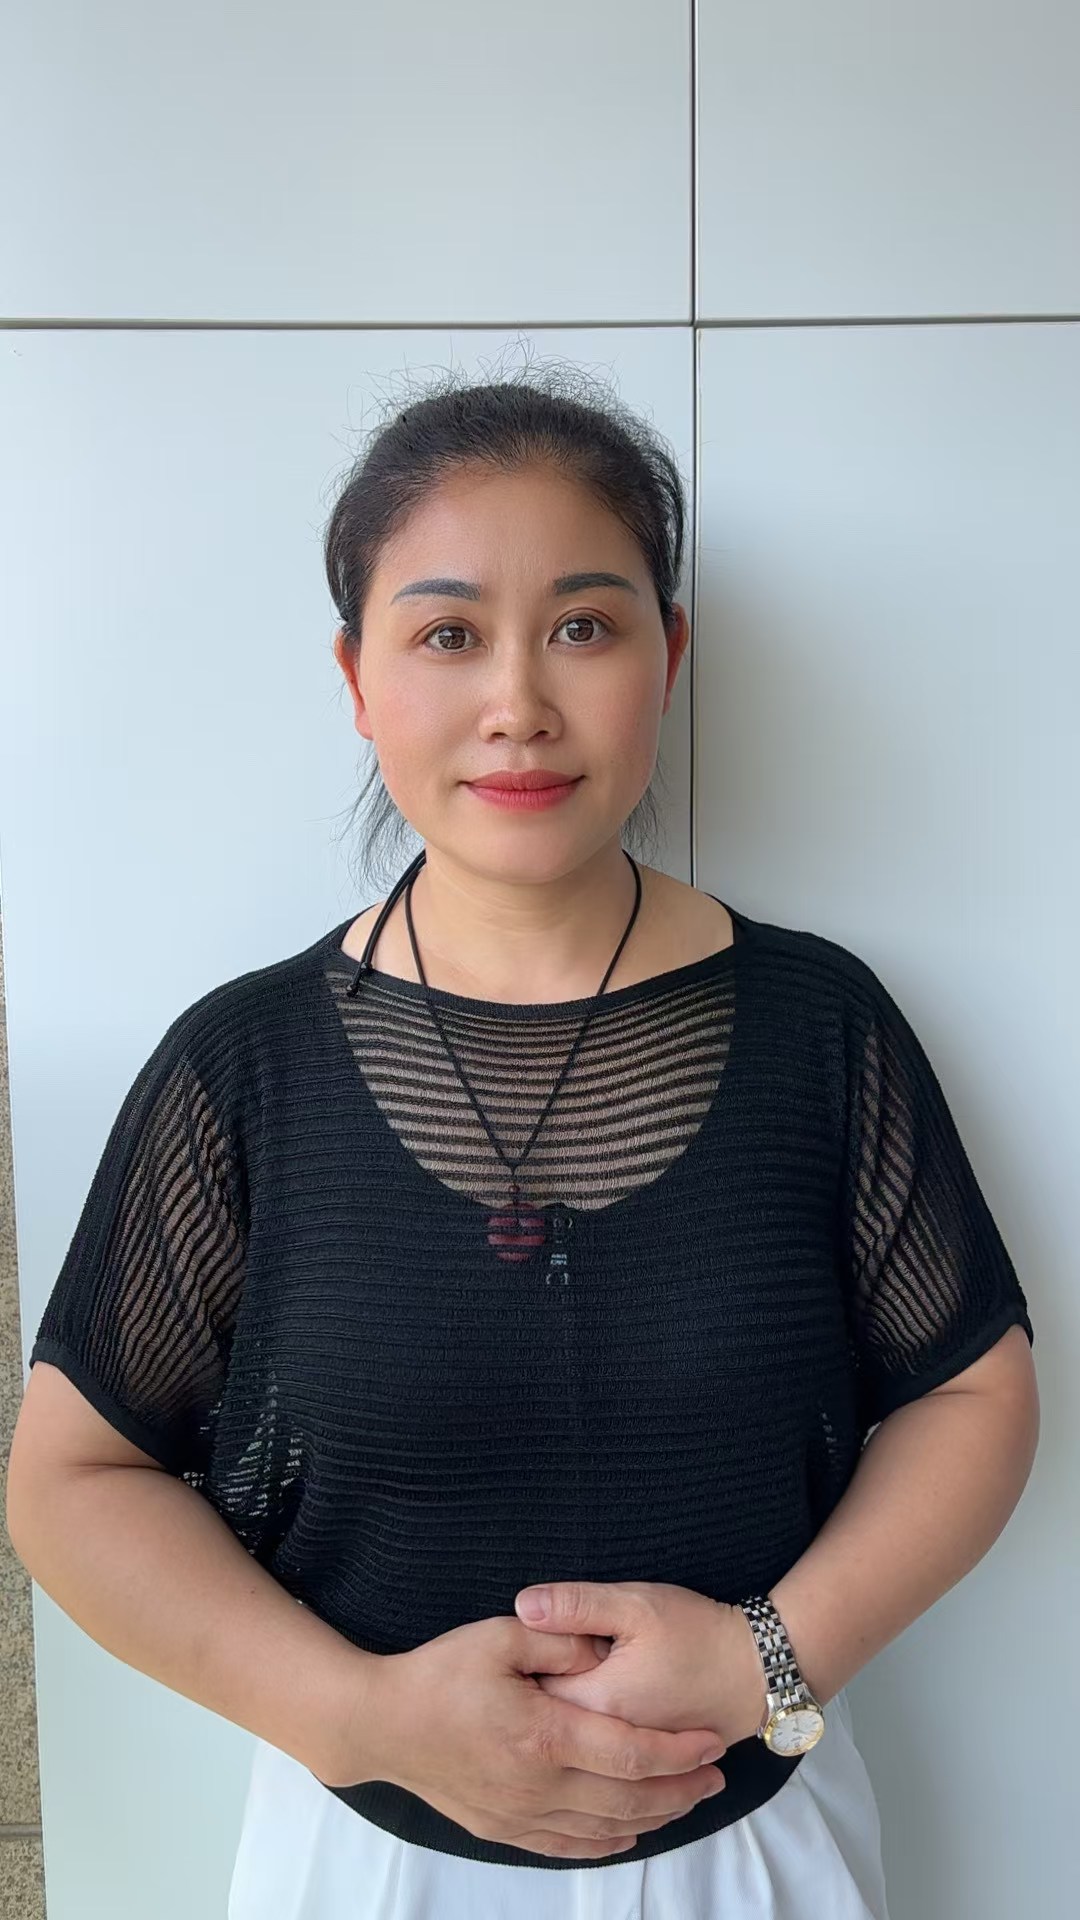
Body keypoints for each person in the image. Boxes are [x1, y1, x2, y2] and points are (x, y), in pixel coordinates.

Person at [8, 364, 1038, 1920]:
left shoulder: (821, 1027)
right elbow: (74, 1476)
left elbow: (973, 1389)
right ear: (357, 679)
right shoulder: (242, 1066)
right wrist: (356, 1716)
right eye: (446, 635)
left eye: (583, 626)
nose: (517, 705)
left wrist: (769, 1655)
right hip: (363, 1866)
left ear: (667, 658)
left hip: (755, 1855)